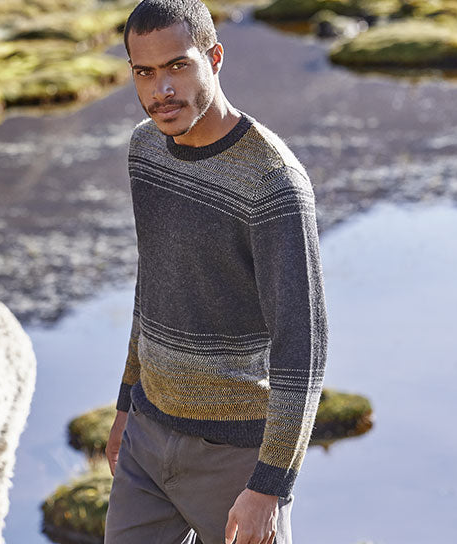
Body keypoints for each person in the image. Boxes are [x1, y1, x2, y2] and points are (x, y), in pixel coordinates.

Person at [103, 1, 328, 543]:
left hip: (236, 457)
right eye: (144, 72)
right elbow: (151, 286)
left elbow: (303, 345)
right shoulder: (145, 150)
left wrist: (270, 485)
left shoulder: (273, 182)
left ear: (215, 57)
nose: (161, 90)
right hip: (146, 439)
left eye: (177, 66)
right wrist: (126, 404)